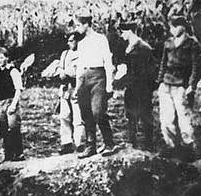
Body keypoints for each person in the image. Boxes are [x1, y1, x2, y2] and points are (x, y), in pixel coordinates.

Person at [157, 15, 201, 161]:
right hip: (167, 83)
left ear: (183, 26)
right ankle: (171, 147)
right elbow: (163, 63)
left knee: (184, 118)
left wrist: (191, 85)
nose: (172, 30)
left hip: (181, 85)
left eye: (175, 26)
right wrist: (160, 81)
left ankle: (188, 149)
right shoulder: (168, 43)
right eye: (171, 27)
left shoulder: (192, 43)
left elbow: (196, 66)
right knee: (166, 118)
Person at [74, 11, 116, 158]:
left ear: (87, 24)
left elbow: (108, 62)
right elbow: (79, 65)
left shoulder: (101, 39)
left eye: (79, 25)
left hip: (99, 77)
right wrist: (76, 85)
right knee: (85, 112)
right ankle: (90, 145)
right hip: (83, 78)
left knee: (98, 111)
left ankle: (109, 143)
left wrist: (109, 84)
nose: (77, 28)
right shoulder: (81, 43)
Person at [115, 22, 157, 150]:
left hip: (142, 86)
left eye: (122, 32)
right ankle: (132, 142)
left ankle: (148, 144)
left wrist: (148, 87)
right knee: (130, 114)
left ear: (129, 31)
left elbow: (150, 70)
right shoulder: (130, 46)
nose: (121, 36)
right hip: (132, 85)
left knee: (145, 114)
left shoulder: (143, 47)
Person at [0, 47, 25, 164]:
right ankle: (8, 154)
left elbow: (18, 89)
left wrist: (14, 104)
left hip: (11, 102)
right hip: (0, 103)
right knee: (3, 129)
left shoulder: (13, 71)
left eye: (2, 57)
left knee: (13, 127)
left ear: (6, 58)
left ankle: (19, 153)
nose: (0, 60)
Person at [58, 32, 85, 154]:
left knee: (78, 117)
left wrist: (68, 73)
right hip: (65, 87)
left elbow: (80, 71)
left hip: (77, 86)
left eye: (72, 41)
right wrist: (61, 73)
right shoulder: (65, 53)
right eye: (68, 41)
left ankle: (80, 143)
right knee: (64, 115)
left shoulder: (83, 53)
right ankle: (66, 142)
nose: (70, 43)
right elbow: (60, 67)